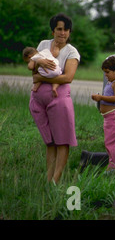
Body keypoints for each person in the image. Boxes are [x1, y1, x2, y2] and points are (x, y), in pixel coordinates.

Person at [29, 13, 80, 184]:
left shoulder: (71, 52)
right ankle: (48, 177)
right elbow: (33, 67)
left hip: (59, 99)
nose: (63, 33)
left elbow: (67, 77)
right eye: (59, 29)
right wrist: (40, 63)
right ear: (53, 31)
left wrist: (41, 79)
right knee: (49, 141)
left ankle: (55, 181)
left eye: (66, 30)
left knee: (62, 140)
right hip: (39, 99)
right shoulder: (44, 44)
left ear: (69, 32)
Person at [91, 56, 115, 171]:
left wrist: (100, 97)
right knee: (108, 141)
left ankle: (113, 166)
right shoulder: (110, 82)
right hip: (108, 117)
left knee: (113, 142)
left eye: (107, 72)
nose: (106, 75)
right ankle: (113, 162)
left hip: (114, 116)